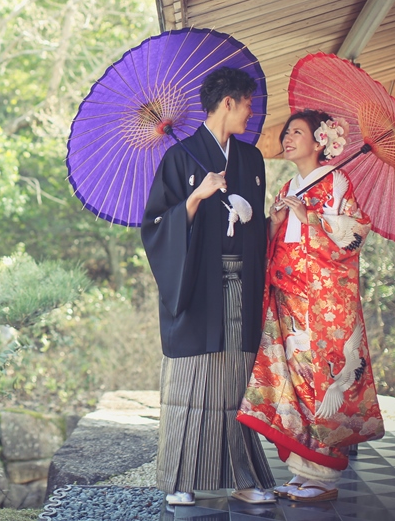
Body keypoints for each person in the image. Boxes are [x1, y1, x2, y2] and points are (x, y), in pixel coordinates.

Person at [141, 67, 276, 507]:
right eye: (247, 103)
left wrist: (262, 217)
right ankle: (181, 479)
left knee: (236, 381)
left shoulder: (251, 161)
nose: (250, 112)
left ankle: (242, 476)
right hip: (197, 288)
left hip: (241, 284)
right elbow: (156, 225)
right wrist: (197, 197)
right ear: (228, 103)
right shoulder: (179, 159)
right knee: (192, 382)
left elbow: (257, 232)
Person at [237, 109, 384, 503]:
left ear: (321, 141)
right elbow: (279, 242)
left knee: (322, 382)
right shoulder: (290, 183)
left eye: (296, 132)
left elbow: (355, 232)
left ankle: (323, 475)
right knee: (294, 379)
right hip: (288, 296)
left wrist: (313, 218)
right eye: (286, 132)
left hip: (322, 304)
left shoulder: (337, 180)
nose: (287, 138)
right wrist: (275, 221)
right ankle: (303, 473)